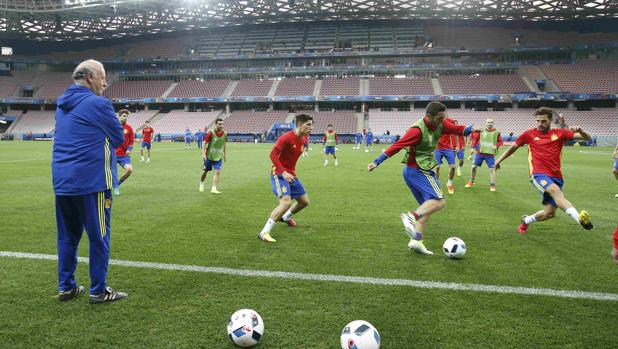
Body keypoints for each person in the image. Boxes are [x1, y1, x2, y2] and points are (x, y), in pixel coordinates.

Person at [52, 59, 127, 304]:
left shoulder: (61, 104)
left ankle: (66, 287)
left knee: (67, 237)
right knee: (99, 237)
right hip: (92, 182)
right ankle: (98, 290)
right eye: (103, 77)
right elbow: (118, 138)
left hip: (62, 182)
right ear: (90, 78)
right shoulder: (99, 104)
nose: (106, 83)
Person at [368, 102, 473, 255]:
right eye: (439, 118)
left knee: (427, 207)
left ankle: (416, 240)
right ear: (428, 116)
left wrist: (467, 130)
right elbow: (397, 146)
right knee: (439, 202)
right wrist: (377, 161)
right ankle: (411, 217)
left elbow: (456, 129)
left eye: (443, 117)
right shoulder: (416, 131)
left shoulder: (441, 124)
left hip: (416, 170)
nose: (442, 121)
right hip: (418, 170)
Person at [494, 107, 593, 234]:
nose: (540, 124)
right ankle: (580, 220)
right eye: (538, 121)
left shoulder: (560, 133)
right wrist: (498, 160)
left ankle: (526, 221)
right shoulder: (529, 134)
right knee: (555, 191)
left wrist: (581, 131)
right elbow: (513, 147)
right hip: (538, 175)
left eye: (544, 121)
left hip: (556, 176)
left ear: (551, 120)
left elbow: (587, 138)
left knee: (549, 213)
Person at [259, 114, 313, 243]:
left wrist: (291, 171)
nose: (311, 127)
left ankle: (286, 217)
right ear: (299, 124)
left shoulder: (304, 139)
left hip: (291, 174)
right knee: (286, 203)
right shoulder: (286, 138)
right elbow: (272, 155)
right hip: (278, 174)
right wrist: (283, 172)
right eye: (308, 124)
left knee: (304, 202)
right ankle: (264, 232)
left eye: (312, 124)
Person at [465, 118, 503, 192]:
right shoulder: (481, 131)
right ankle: (471, 182)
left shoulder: (497, 132)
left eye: (491, 122)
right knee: (473, 167)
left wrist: (496, 145)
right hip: (480, 153)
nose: (489, 123)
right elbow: (476, 139)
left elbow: (500, 141)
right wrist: (472, 148)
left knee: (491, 169)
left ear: (493, 123)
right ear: (486, 123)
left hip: (490, 154)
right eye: (488, 122)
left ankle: (492, 185)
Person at [199, 119, 227, 194]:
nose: (221, 126)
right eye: (220, 124)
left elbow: (224, 144)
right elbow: (204, 143)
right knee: (205, 172)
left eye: (222, 124)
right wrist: (203, 154)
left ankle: (213, 189)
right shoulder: (210, 133)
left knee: (217, 172)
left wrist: (225, 154)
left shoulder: (225, 134)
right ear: (216, 124)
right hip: (209, 157)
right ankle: (201, 184)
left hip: (218, 157)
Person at [113, 109, 134, 196]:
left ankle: (117, 184)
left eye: (127, 116)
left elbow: (131, 141)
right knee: (112, 173)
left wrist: (129, 149)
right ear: (119, 116)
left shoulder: (129, 128)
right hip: (113, 154)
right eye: (124, 116)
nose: (125, 118)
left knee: (129, 170)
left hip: (124, 155)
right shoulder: (113, 126)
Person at [434, 123, 457, 194]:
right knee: (437, 167)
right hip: (438, 148)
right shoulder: (435, 126)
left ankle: (449, 183)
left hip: (448, 148)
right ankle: (436, 185)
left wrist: (456, 146)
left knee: (453, 167)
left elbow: (456, 134)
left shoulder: (449, 125)